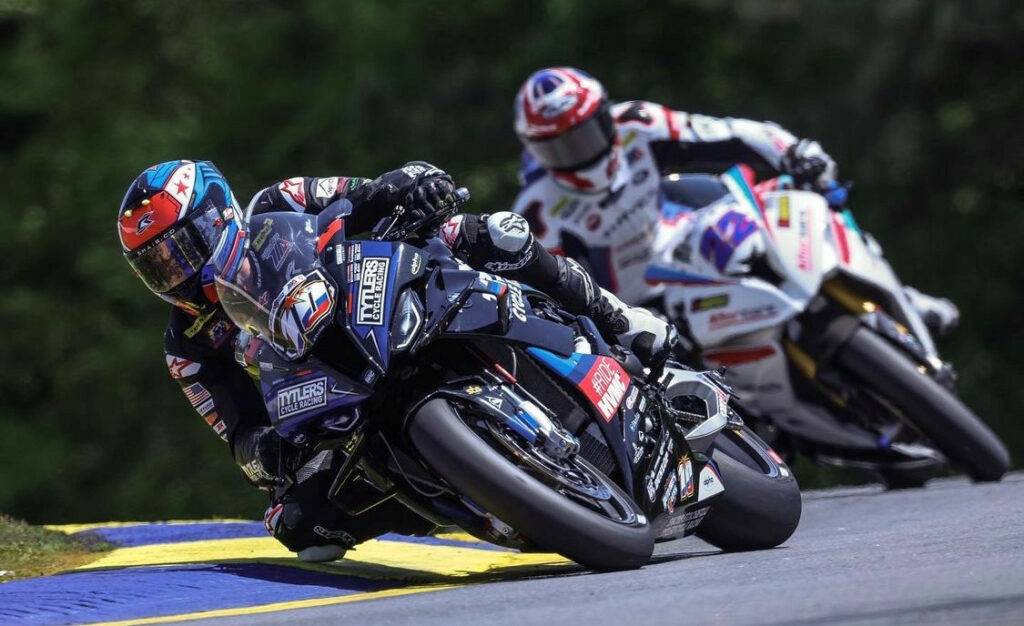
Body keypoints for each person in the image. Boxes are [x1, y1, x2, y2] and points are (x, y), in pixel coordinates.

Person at [116, 158, 674, 563]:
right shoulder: (186, 346)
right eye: (155, 268)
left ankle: (617, 317)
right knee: (301, 528)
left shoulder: (278, 201)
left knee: (489, 233)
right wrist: (261, 451)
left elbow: (364, 192)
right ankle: (477, 496)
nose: (174, 274)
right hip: (325, 392)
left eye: (179, 251)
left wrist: (412, 186)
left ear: (217, 217)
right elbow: (233, 427)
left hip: (378, 297)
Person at [510, 66, 960, 337]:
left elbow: (727, 132)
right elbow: (553, 292)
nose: (580, 153)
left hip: (688, 235)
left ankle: (901, 295)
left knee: (799, 200)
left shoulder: (639, 122)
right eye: (561, 147)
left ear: (605, 113)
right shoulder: (538, 209)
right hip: (642, 307)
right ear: (536, 150)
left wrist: (793, 152)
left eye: (585, 134)